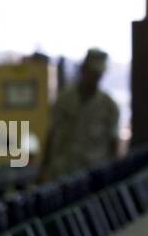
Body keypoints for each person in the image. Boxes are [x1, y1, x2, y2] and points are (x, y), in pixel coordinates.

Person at [40, 48, 120, 181]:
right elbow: (51, 134)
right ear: (84, 69)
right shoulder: (63, 100)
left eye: (99, 74)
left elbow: (113, 144)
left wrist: (113, 174)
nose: (96, 77)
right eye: (93, 72)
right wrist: (43, 169)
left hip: (92, 175)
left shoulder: (109, 106)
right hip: (62, 173)